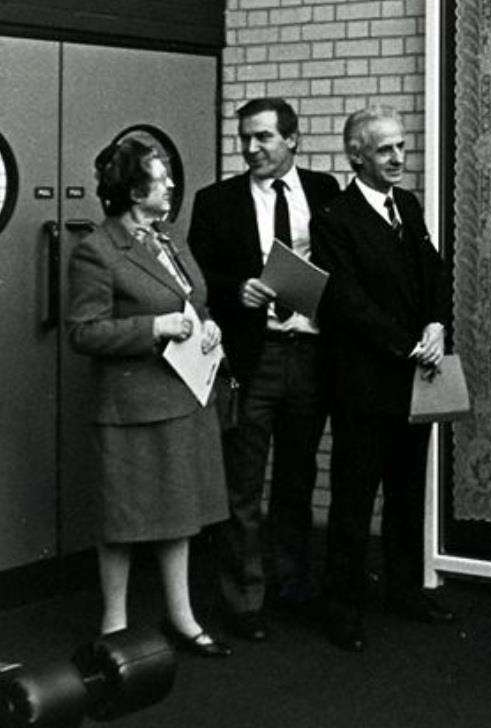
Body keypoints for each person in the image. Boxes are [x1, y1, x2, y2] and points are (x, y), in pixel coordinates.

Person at [67, 138, 230, 657]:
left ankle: (181, 617)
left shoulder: (169, 240)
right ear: (135, 191)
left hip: (181, 398)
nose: (172, 186)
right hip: (130, 409)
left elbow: (193, 303)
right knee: (121, 522)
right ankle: (114, 627)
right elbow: (83, 333)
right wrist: (154, 327)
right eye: (162, 179)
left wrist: (209, 330)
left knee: (177, 514)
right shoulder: (96, 250)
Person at [188, 98, 341, 642]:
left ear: (293, 140)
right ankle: (244, 600)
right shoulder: (216, 201)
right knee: (243, 484)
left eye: (264, 139)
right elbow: (199, 278)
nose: (252, 149)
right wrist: (237, 290)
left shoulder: (326, 194)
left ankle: (293, 585)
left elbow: (345, 267)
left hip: (310, 354)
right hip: (252, 358)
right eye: (245, 139)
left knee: (298, 478)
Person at [310, 106, 451, 653]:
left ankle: (404, 591)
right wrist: (405, 344)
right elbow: (343, 298)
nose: (399, 157)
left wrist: (437, 324)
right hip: (365, 381)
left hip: (417, 375)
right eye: (386, 149)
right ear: (356, 156)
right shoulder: (334, 218)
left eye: (401, 146)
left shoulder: (407, 205)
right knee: (352, 500)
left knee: (408, 490)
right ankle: (342, 607)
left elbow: (432, 270)